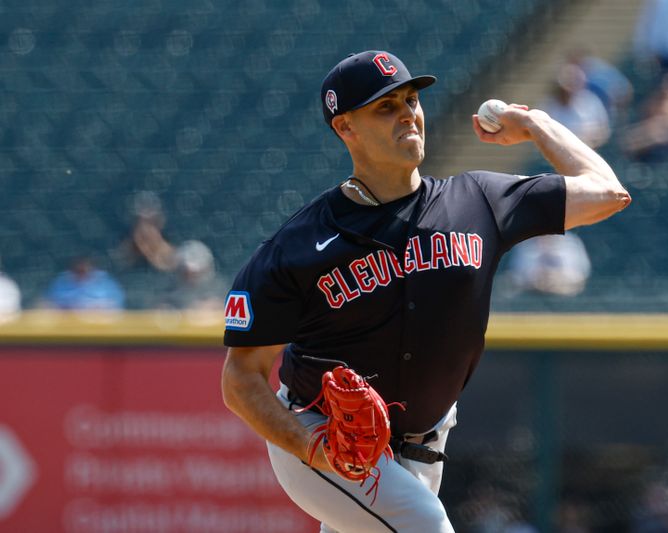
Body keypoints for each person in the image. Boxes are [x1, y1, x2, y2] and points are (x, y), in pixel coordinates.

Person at [221, 50, 630, 532]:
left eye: (411, 100)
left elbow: (607, 192)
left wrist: (537, 124)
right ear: (345, 128)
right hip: (324, 437)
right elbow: (240, 379)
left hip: (426, 445)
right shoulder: (300, 245)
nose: (407, 114)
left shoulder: (479, 202)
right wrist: (311, 450)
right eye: (385, 107)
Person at [43, 255, 125, 310]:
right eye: (77, 271)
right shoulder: (61, 282)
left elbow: (116, 303)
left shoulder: (104, 282)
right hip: (67, 326)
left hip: (98, 325)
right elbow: (49, 303)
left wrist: (96, 306)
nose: (81, 275)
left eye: (84, 271)